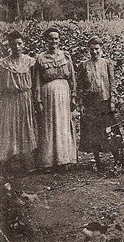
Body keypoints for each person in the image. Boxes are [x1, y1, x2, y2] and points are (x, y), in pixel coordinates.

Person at [34, 27, 77, 170]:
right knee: (49, 125)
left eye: (56, 38)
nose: (54, 41)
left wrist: (73, 96)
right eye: (51, 38)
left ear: (59, 40)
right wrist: (38, 100)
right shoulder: (40, 58)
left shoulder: (65, 56)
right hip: (47, 95)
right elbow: (37, 81)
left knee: (63, 124)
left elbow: (72, 78)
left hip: (64, 94)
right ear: (46, 40)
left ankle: (64, 160)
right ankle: (48, 161)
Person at [77, 37, 121, 171]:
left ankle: (118, 160)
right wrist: (81, 103)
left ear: (101, 49)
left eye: (97, 49)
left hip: (105, 102)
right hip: (91, 103)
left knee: (110, 130)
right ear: (88, 50)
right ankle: (98, 161)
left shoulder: (107, 63)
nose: (94, 52)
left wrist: (113, 100)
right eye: (92, 49)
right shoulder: (84, 65)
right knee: (93, 133)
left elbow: (112, 83)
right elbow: (80, 86)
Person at [0, 31, 37, 174]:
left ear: (23, 45)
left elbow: (35, 82)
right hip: (9, 99)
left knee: (25, 126)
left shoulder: (30, 62)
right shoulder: (4, 63)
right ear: (9, 45)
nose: (16, 47)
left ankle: (26, 162)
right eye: (13, 44)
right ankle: (10, 162)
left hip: (25, 98)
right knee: (10, 128)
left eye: (19, 44)